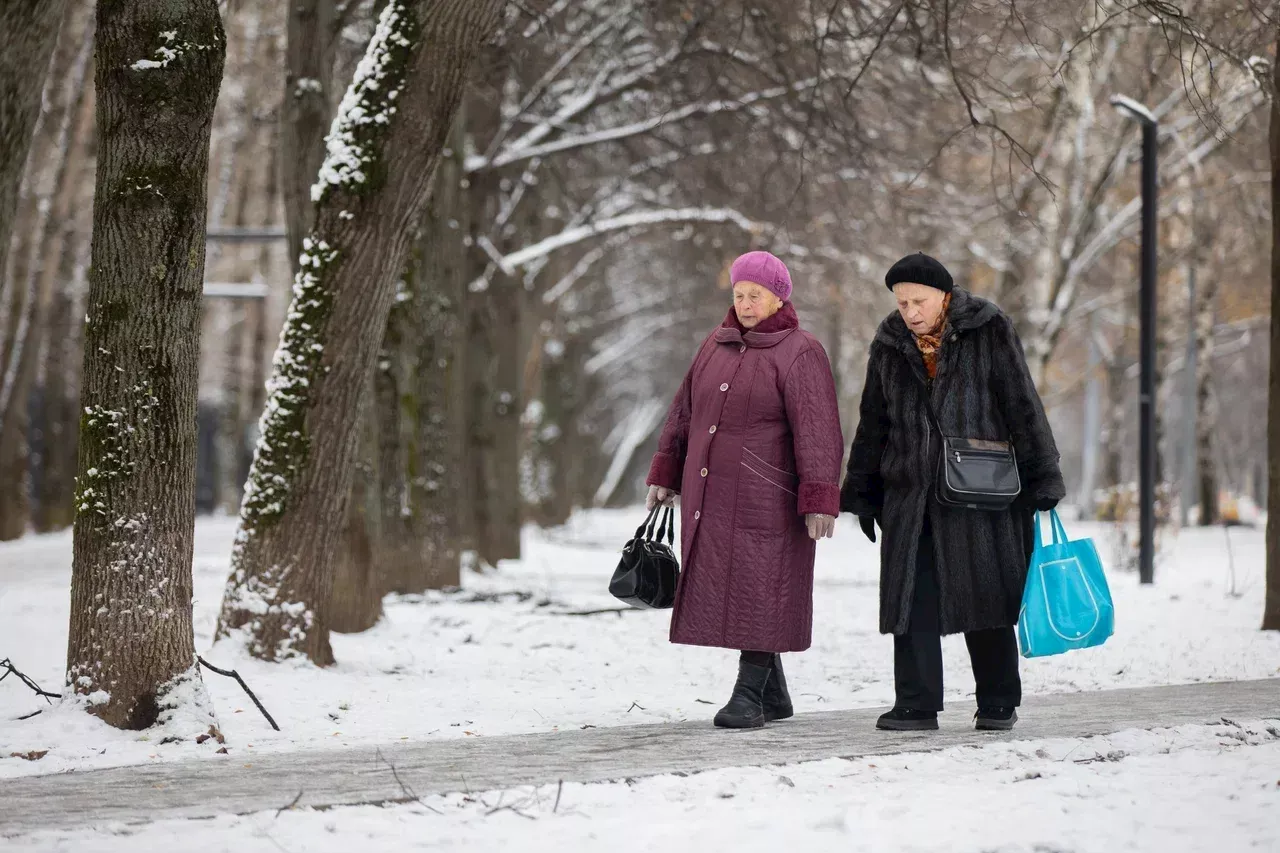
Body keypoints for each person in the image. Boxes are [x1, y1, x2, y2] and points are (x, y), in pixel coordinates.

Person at [840, 252, 1064, 732]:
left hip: (982, 489)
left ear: (944, 294)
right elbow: (873, 421)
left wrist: (1043, 475)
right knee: (911, 601)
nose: (910, 312)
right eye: (901, 303)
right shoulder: (889, 341)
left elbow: (1023, 402)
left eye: (918, 301)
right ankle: (916, 703)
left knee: (987, 595)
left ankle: (998, 699)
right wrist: (862, 489)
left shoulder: (988, 329)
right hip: (911, 492)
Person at [645, 250, 843, 729]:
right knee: (734, 588)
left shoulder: (802, 351)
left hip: (768, 497)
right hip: (711, 494)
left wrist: (820, 498)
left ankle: (749, 694)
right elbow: (683, 413)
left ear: (779, 298)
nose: (747, 302)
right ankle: (773, 695)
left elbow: (818, 430)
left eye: (756, 294)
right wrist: (665, 473)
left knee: (761, 588)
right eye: (739, 294)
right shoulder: (714, 345)